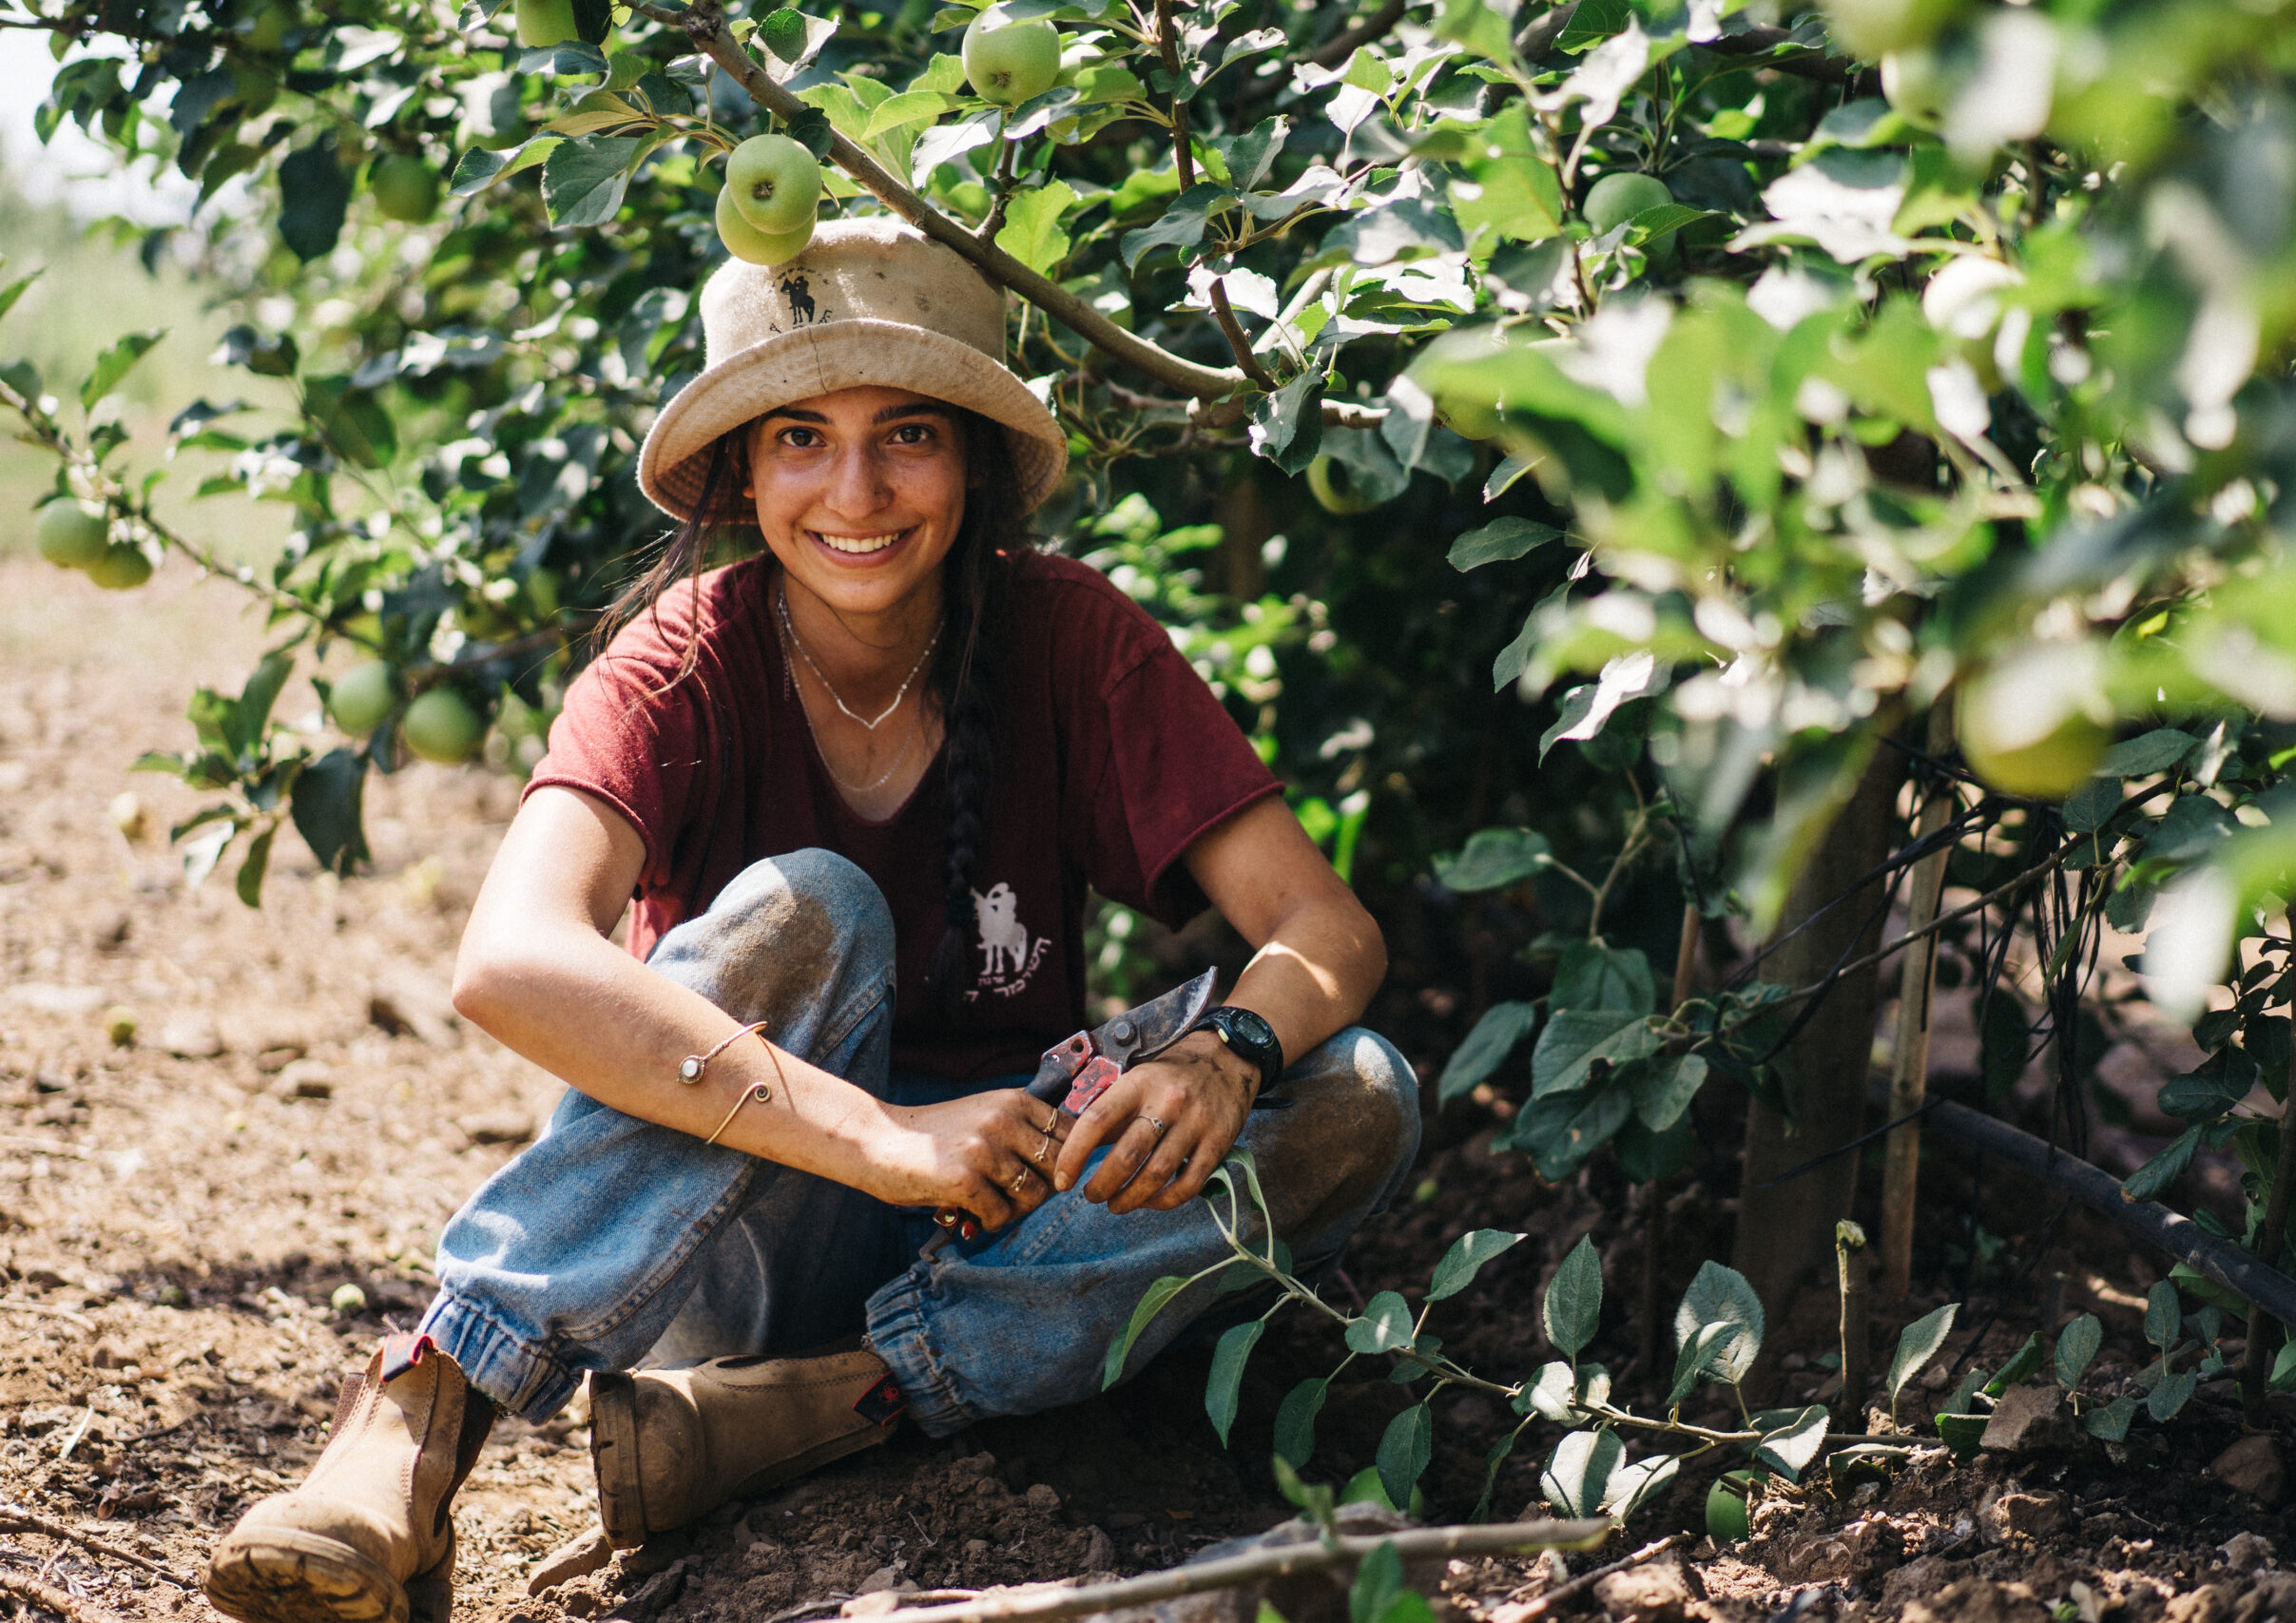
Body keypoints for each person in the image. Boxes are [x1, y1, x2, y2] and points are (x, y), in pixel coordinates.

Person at [203, 218, 1421, 1623]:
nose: (856, 488)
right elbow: (511, 960)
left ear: (969, 455)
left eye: (907, 432)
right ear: (742, 469)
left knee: (1355, 1090)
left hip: (1022, 1240)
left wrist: (1224, 1058)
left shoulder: (1071, 640)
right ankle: (419, 1420)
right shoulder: (682, 663)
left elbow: (1325, 925)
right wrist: (882, 1140)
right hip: (752, 1222)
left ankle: (817, 1406)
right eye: (798, 437)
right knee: (810, 906)